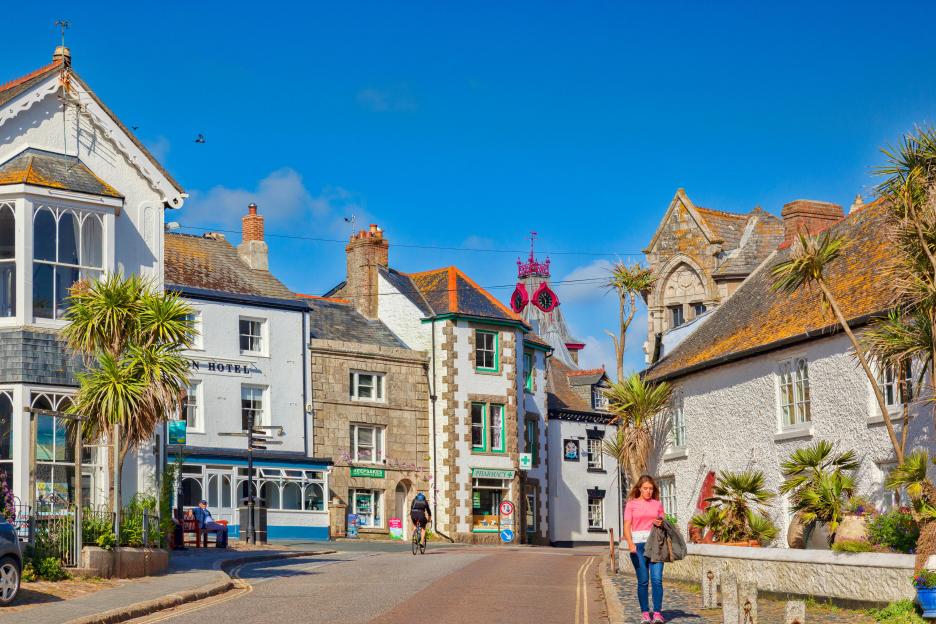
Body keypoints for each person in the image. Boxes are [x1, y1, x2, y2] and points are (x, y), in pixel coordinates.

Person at [623, 475, 666, 624]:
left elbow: (663, 522)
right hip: (638, 546)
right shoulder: (631, 504)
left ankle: (658, 613)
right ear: (639, 488)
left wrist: (660, 522)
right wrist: (630, 544)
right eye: (645, 488)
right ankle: (645, 613)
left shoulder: (657, 504)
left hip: (655, 546)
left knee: (657, 580)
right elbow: (627, 526)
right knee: (643, 581)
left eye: (651, 489)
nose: (648, 491)